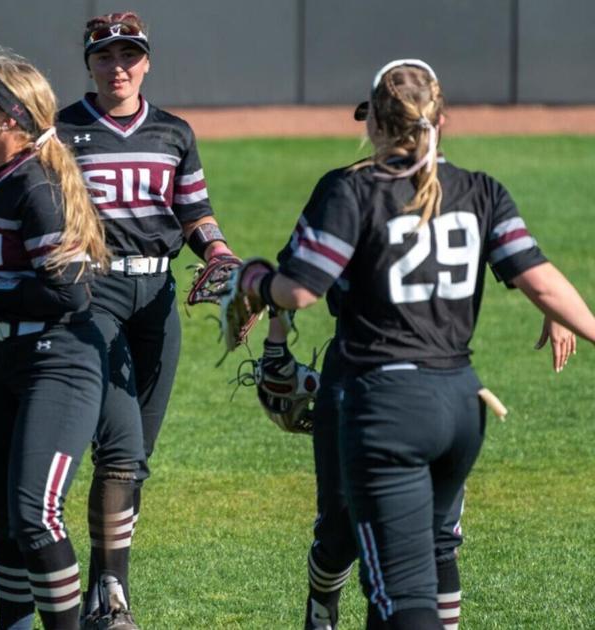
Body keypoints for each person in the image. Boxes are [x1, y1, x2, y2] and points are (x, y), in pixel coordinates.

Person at [239, 58, 595, 629]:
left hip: (382, 404)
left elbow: (300, 288)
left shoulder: (353, 192)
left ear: (375, 125)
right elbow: (543, 281)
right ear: (442, 120)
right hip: (461, 403)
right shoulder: (481, 190)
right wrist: (563, 316)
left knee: (399, 595)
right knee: (421, 549)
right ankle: (323, 602)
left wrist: (252, 283)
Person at [54, 12, 239, 627]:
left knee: (136, 457)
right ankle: (111, 594)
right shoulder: (61, 130)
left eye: (129, 54)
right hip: (93, 293)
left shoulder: (173, 133)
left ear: (147, 61)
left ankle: (100, 593)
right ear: (89, 63)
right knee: (119, 444)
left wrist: (216, 249)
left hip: (156, 296)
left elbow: (194, 211)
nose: (119, 67)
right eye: (105, 56)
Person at [0, 52, 110, 630]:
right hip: (3, 358)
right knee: (4, 517)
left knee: (35, 515)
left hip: (58, 362)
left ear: (9, 118)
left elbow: (70, 297)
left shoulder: (38, 187)